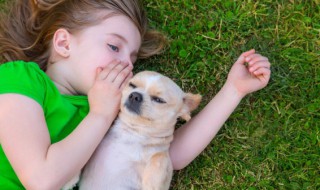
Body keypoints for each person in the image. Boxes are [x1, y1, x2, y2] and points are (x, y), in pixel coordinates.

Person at [0, 0, 271, 189]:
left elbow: (169, 154)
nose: (128, 65)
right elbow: (41, 180)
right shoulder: (20, 78)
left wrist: (233, 91)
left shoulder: (111, 105)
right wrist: (99, 115)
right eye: (114, 46)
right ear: (63, 43)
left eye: (133, 58)